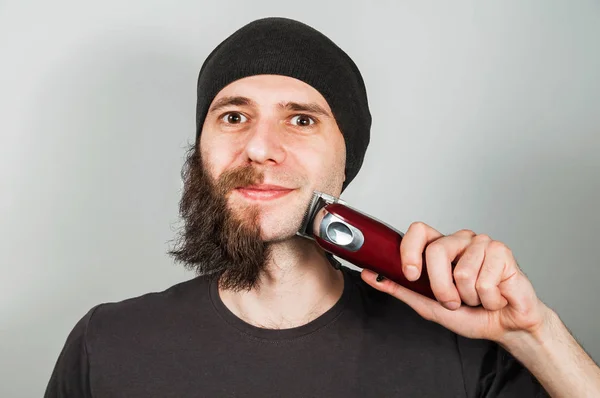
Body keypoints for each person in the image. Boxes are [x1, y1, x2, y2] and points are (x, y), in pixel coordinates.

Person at [45, 17, 599, 397]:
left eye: (301, 119)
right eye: (233, 116)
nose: (260, 147)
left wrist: (532, 333)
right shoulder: (108, 344)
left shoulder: (461, 347)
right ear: (202, 148)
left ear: (345, 159)